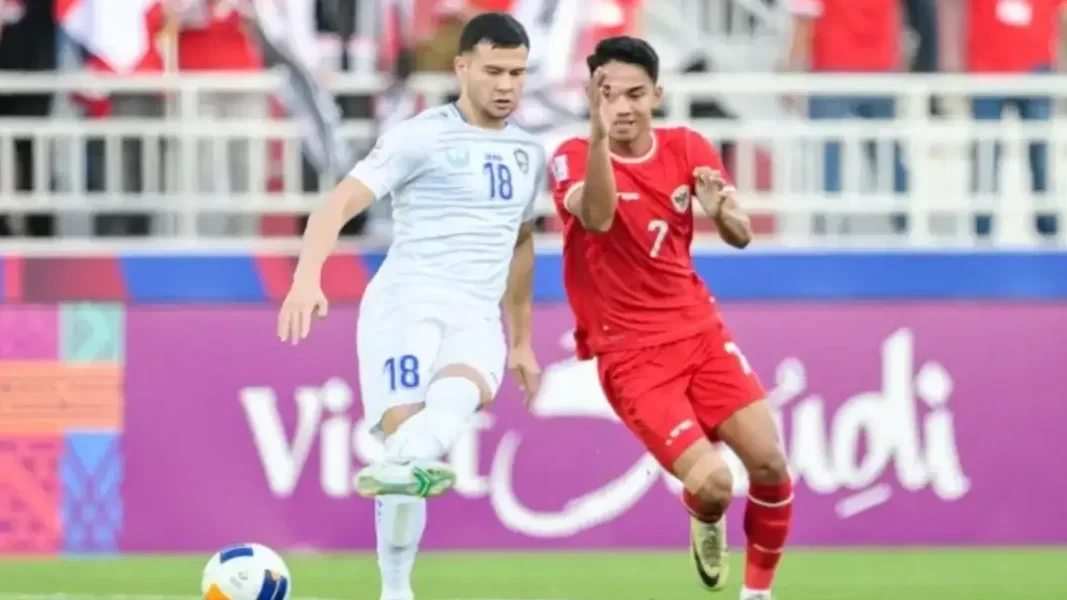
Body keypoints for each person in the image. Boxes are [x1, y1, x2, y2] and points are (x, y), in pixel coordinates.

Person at [276, 12, 543, 600]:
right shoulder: (421, 135)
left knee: (429, 430)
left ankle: (407, 459)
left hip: (476, 315)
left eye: (518, 74)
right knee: (407, 443)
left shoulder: (529, 154)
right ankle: (396, 589)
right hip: (407, 304)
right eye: (494, 70)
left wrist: (521, 338)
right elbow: (340, 200)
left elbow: (521, 246)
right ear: (462, 67)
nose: (506, 85)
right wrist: (307, 276)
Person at [549, 37, 792, 600]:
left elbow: (741, 234)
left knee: (771, 464)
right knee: (715, 485)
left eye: (636, 93)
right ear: (593, 96)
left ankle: (757, 596)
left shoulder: (688, 147)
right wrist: (598, 138)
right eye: (609, 94)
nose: (624, 106)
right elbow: (600, 217)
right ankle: (703, 514)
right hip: (631, 354)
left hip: (699, 332)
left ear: (657, 94)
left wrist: (720, 210)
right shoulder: (569, 154)